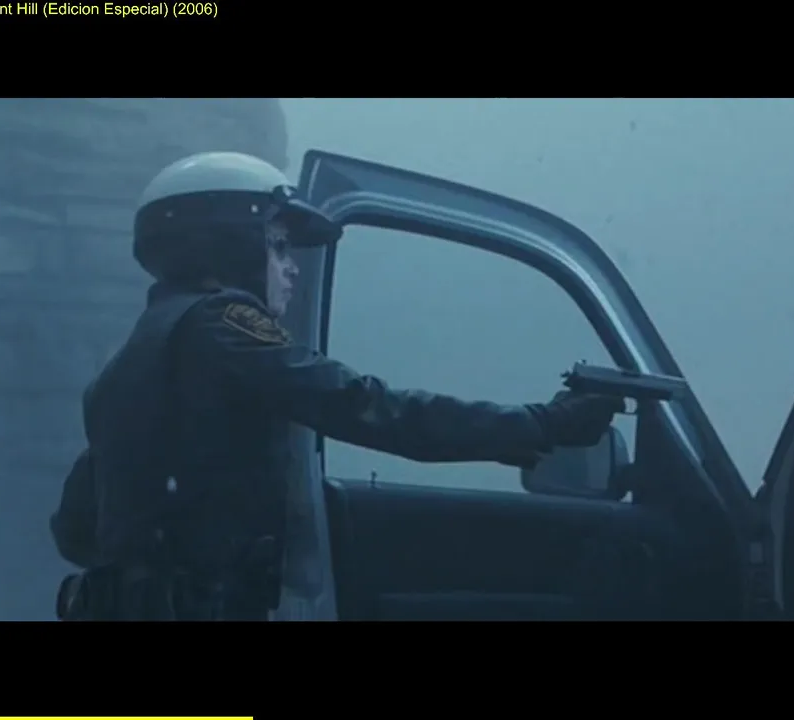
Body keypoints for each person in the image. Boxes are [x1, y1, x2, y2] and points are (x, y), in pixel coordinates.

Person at [50, 152, 624, 621]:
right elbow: (366, 406)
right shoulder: (222, 324)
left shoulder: (138, 357)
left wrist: (155, 563)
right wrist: (542, 424)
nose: (293, 268)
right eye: (279, 246)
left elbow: (75, 528)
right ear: (228, 244)